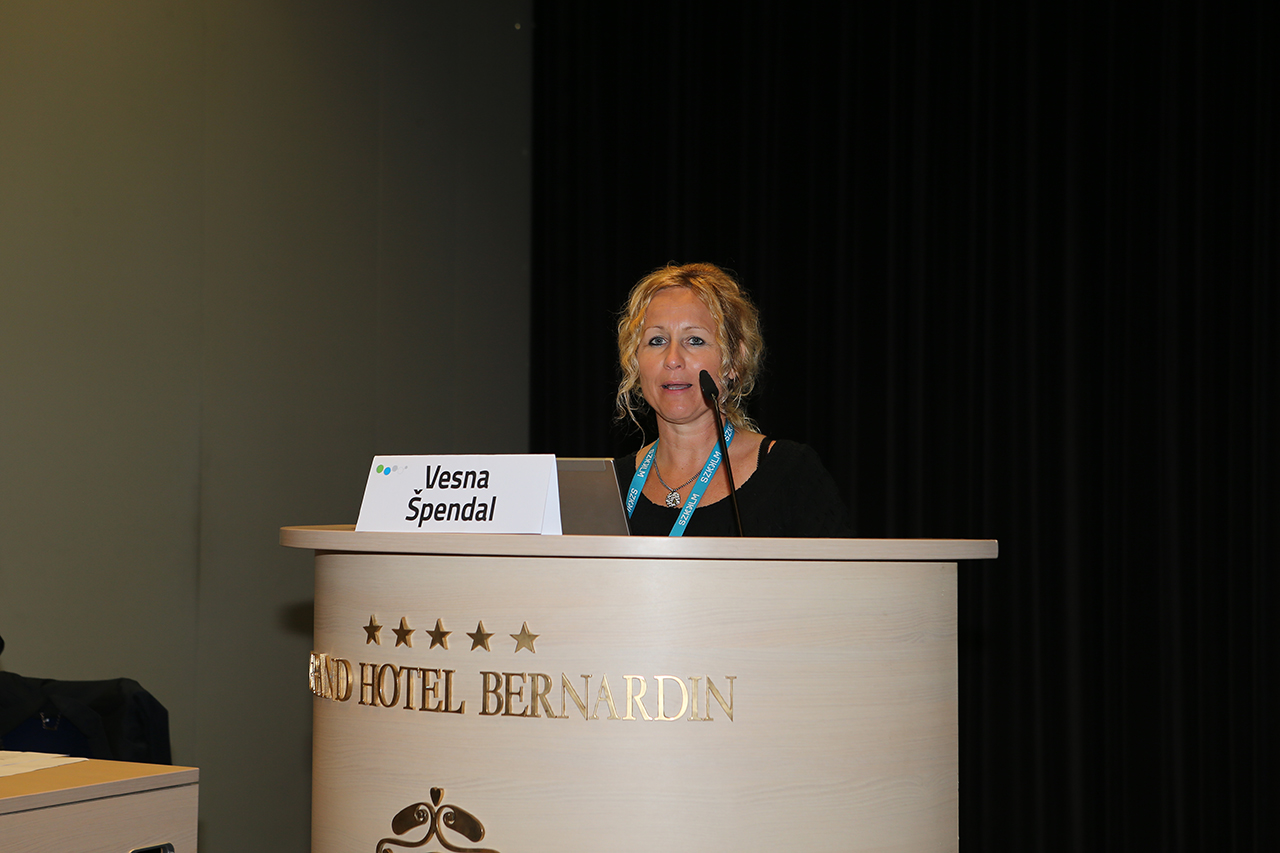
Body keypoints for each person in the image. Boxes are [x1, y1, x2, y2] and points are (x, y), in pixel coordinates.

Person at [613, 262, 852, 537]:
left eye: (695, 340)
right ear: (635, 360)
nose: (673, 359)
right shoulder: (612, 485)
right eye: (657, 340)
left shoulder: (790, 473)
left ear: (734, 361)